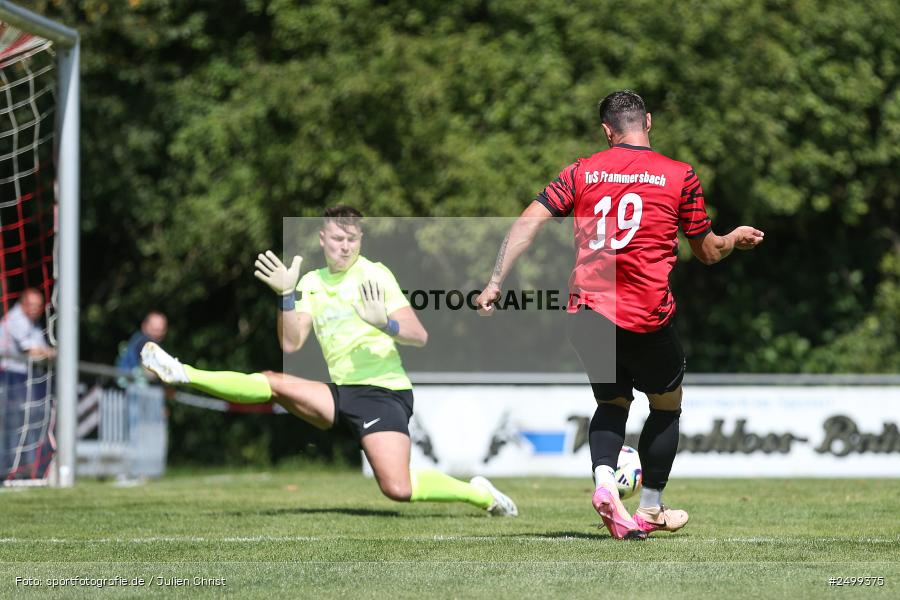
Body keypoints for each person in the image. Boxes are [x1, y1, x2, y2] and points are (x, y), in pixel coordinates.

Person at [475, 90, 764, 539]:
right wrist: (733, 238)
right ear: (647, 121)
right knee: (667, 405)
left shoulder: (581, 171)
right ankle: (650, 509)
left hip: (587, 313)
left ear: (607, 130)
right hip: (646, 314)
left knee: (612, 403)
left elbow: (528, 222)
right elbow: (708, 251)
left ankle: (605, 481)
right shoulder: (679, 175)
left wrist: (494, 282)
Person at [141, 205, 517, 516]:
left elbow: (419, 335)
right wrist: (286, 295)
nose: (345, 246)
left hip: (382, 393)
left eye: (352, 239)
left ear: (360, 241)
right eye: (338, 238)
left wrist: (383, 322)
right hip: (339, 393)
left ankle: (479, 494)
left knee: (397, 488)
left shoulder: (374, 274)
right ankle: (183, 372)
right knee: (274, 380)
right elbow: (291, 343)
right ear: (322, 238)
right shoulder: (311, 283)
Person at [0, 287, 55, 478]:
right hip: (11, 378)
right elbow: (33, 351)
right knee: (14, 425)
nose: (35, 309)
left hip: (26, 379)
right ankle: (9, 471)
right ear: (22, 303)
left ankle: (27, 470)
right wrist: (51, 353)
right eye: (31, 304)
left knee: (30, 424)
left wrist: (47, 352)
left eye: (38, 305)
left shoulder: (32, 325)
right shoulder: (15, 321)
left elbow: (43, 351)